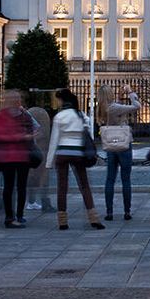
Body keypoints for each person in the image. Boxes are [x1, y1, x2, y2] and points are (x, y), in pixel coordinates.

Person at [45, 88, 104, 231]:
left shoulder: (60, 116)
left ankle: (62, 221)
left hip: (63, 153)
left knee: (62, 187)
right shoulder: (81, 115)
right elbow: (88, 133)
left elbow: (54, 140)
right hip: (78, 153)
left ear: (62, 100)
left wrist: (49, 161)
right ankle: (93, 217)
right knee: (84, 185)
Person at [0, 90, 38, 229]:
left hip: (20, 155)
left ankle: (18, 215)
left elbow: (34, 127)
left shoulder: (23, 114)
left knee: (19, 187)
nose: (17, 101)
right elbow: (1, 135)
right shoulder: (4, 116)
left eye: (18, 99)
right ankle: (11, 217)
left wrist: (29, 135)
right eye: (15, 99)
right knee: (11, 187)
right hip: (10, 156)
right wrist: (22, 137)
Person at [98, 84, 140, 221]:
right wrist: (131, 92)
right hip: (123, 143)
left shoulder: (101, 109)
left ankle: (109, 211)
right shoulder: (114, 107)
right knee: (125, 179)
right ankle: (127, 211)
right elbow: (136, 106)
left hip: (110, 145)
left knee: (110, 179)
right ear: (110, 94)